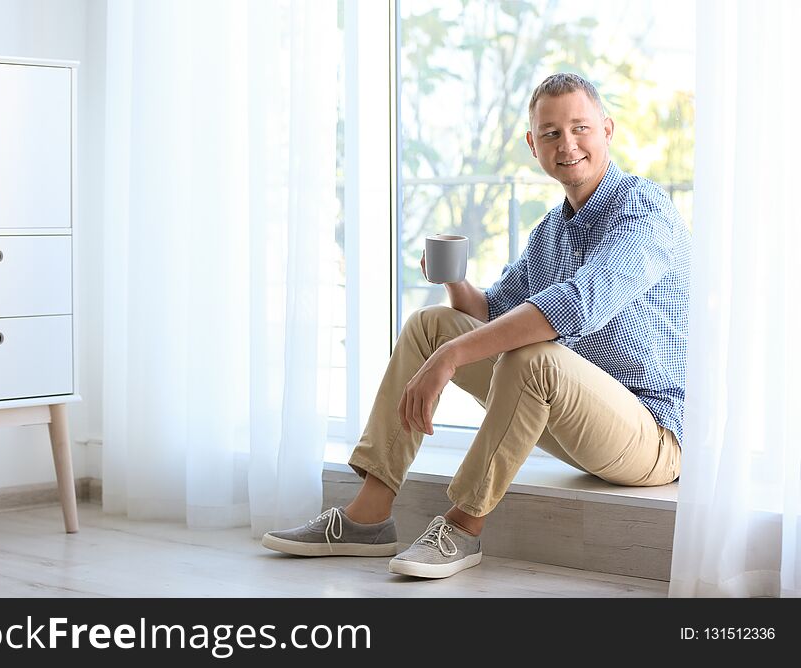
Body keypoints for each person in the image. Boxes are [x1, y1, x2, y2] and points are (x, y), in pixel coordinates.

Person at [262, 72, 690, 579]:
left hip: (653, 435)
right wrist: (455, 281)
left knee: (533, 356)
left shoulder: (643, 211)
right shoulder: (551, 230)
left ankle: (463, 528)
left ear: (608, 130)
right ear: (533, 145)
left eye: (581, 128)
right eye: (551, 133)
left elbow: (575, 306)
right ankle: (368, 517)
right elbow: (491, 313)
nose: (567, 144)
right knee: (431, 326)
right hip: (579, 421)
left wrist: (451, 359)